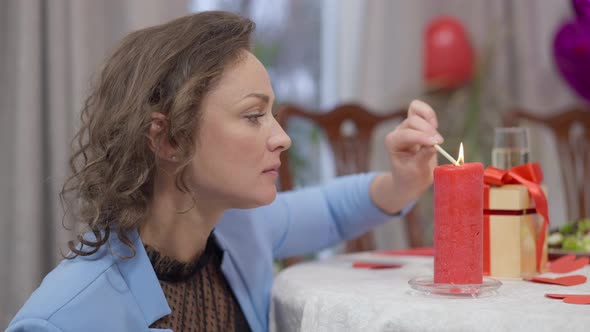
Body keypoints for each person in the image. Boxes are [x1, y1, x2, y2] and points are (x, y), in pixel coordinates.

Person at [6, 11, 443, 332]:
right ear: (167, 139)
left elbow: (330, 211)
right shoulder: (62, 318)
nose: (282, 138)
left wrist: (403, 182)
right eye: (254, 115)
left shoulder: (240, 231)